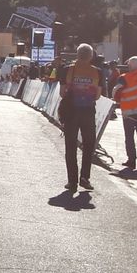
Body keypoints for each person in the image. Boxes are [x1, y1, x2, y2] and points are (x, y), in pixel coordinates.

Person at [58, 44, 102, 190]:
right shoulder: (97, 72)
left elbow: (62, 93)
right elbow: (97, 96)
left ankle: (72, 181)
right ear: (91, 56)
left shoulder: (67, 70)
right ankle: (85, 178)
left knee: (70, 146)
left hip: (71, 112)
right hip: (88, 112)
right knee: (88, 146)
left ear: (77, 55)